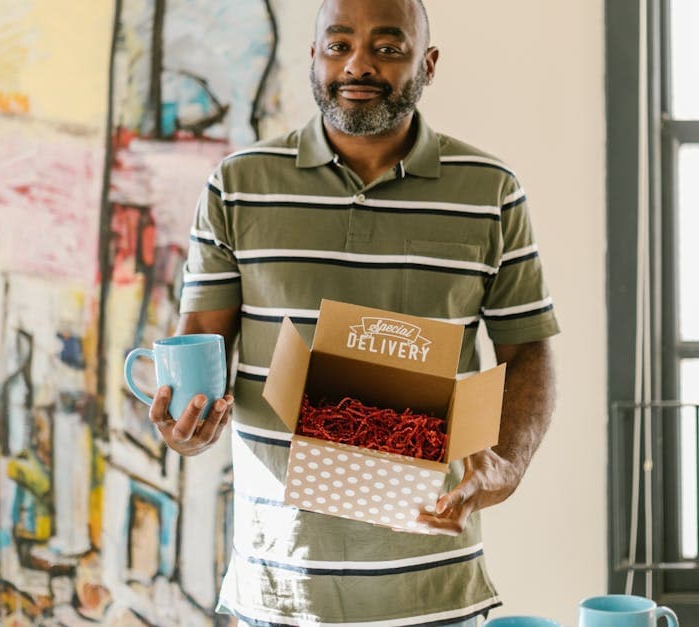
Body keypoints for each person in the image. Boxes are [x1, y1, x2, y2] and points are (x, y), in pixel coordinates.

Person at [147, 0, 559, 624]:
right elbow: (200, 342)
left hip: (433, 592)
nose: (357, 65)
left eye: (387, 48)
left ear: (429, 63)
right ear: (313, 57)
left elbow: (528, 347)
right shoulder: (238, 186)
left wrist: (507, 462)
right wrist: (187, 423)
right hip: (278, 594)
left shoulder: (490, 191)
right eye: (337, 45)